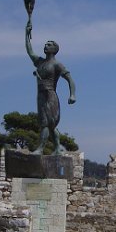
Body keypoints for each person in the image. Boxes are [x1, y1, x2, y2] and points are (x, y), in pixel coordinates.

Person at [25, 19, 76, 154]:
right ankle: (57, 148)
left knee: (46, 123)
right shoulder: (40, 62)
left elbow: (70, 79)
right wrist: (27, 34)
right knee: (50, 125)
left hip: (50, 96)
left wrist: (72, 94)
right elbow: (29, 51)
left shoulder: (57, 64)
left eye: (49, 44)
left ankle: (40, 149)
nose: (45, 46)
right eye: (45, 44)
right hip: (41, 96)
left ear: (55, 49)